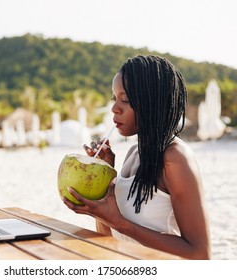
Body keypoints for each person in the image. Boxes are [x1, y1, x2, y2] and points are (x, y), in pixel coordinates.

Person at [62, 54, 211, 259]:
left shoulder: (175, 158)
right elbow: (108, 238)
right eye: (114, 98)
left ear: (153, 102)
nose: (115, 108)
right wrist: (103, 183)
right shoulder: (134, 154)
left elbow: (200, 254)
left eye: (126, 99)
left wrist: (120, 223)